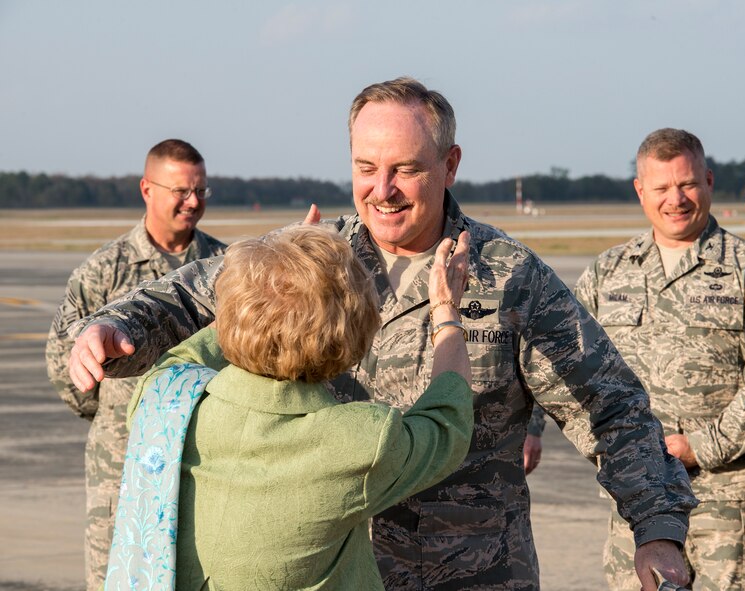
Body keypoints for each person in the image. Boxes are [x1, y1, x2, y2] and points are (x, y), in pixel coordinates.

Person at [66, 77, 697, 591]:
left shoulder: (511, 279)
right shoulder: (313, 259)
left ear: (450, 164)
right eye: (366, 167)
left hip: (477, 573)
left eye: (405, 169)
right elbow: (191, 291)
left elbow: (613, 406)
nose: (383, 191)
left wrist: (657, 530)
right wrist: (116, 325)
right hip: (339, 574)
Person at [107, 226, 475, 589]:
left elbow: (185, 356)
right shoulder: (360, 442)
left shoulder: (165, 399)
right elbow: (447, 425)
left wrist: (262, 292)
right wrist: (446, 312)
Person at [574, 128, 745, 590]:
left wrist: (703, 446)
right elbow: (566, 359)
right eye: (662, 187)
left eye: (687, 184)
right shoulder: (608, 272)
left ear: (709, 181)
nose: (676, 199)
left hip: (726, 499)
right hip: (637, 498)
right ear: (640, 191)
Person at [44, 138, 226, 590]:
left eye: (200, 190)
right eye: (181, 191)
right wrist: (122, 416)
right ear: (147, 189)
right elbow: (66, 371)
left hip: (202, 464)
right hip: (121, 469)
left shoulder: (225, 266)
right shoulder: (103, 272)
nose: (193, 202)